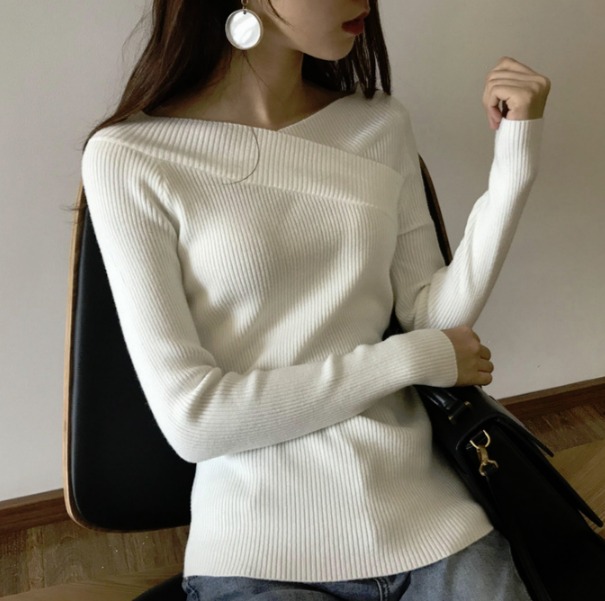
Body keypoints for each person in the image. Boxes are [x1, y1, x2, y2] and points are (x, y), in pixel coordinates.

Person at [81, 1, 550, 599]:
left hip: (429, 517)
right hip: (257, 551)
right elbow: (194, 419)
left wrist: (514, 164)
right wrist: (410, 360)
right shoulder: (131, 156)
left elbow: (432, 316)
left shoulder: (379, 125)